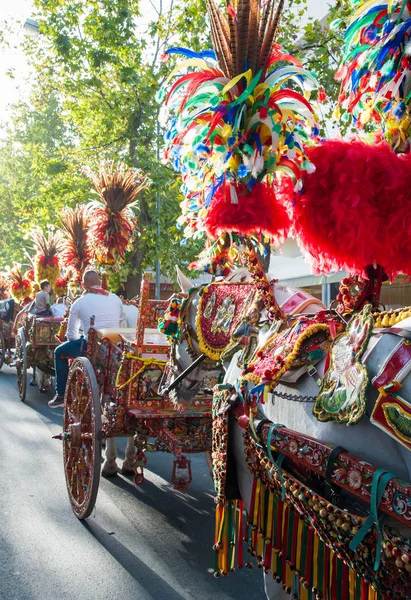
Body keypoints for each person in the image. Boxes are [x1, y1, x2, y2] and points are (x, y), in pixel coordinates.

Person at [48, 270, 125, 408]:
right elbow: (120, 323)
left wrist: (82, 337)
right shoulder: (115, 298)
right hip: (115, 348)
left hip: (91, 347)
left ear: (83, 285)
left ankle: (60, 394)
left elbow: (71, 336)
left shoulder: (79, 302)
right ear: (99, 283)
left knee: (59, 352)